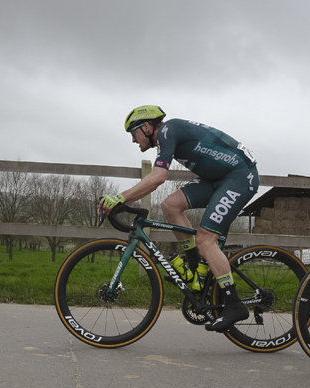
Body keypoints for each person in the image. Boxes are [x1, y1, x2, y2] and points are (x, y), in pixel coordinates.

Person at [99, 105, 259, 332]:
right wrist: (122, 200)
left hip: (239, 177)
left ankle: (234, 304)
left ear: (146, 127)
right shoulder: (167, 135)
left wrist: (120, 198)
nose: (133, 141)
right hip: (219, 178)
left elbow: (158, 177)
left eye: (132, 133)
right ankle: (195, 270)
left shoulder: (167, 130)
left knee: (206, 240)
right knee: (171, 205)